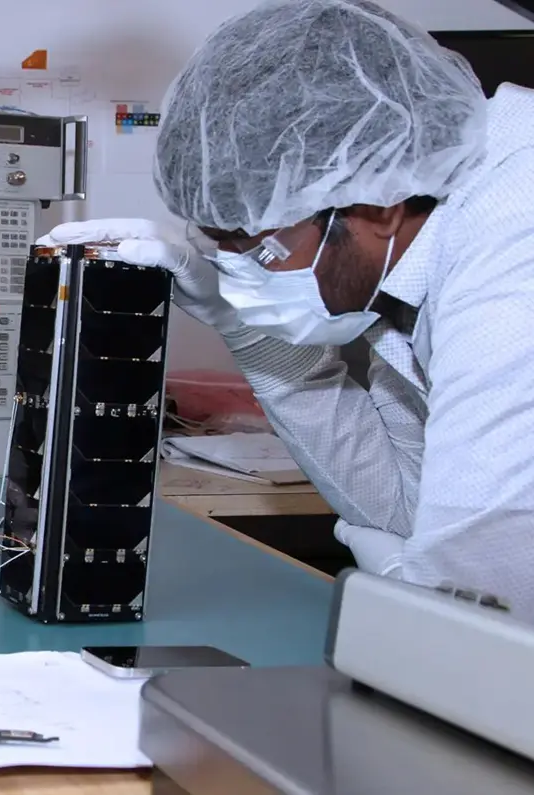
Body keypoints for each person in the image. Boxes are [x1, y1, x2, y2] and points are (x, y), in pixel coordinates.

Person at [40, 0, 534, 617]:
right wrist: (246, 329)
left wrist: (414, 576)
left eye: (259, 249)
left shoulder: (515, 237)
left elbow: (489, 590)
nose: (243, 276)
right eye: (223, 248)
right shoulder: (404, 265)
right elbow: (400, 507)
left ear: (377, 204)